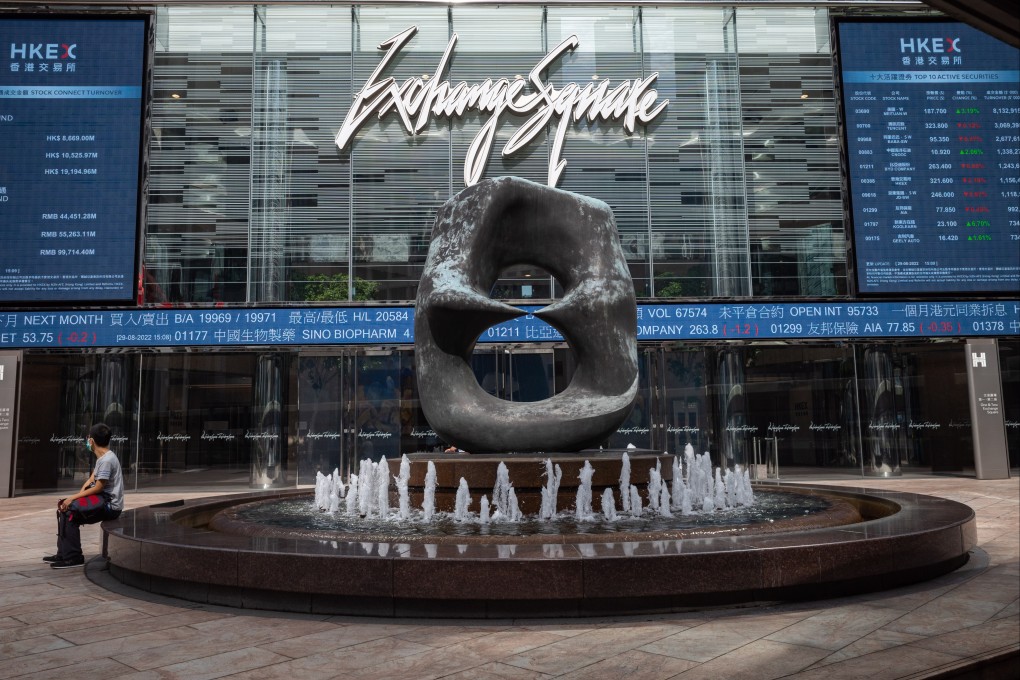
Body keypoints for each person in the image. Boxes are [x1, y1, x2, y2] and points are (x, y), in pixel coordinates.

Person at [45, 423, 124, 569]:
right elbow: (91, 480)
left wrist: (74, 499)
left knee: (70, 512)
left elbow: (99, 487)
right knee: (65, 508)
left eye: (88, 438)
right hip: (103, 499)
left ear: (92, 441)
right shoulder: (103, 458)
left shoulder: (107, 460)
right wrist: (76, 497)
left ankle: (73, 557)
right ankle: (63, 553)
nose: (87, 441)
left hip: (110, 505)